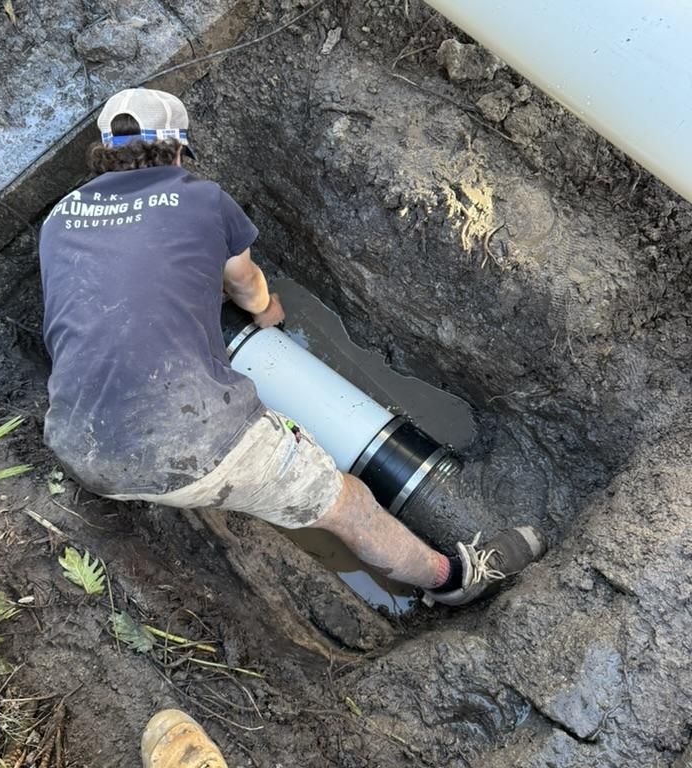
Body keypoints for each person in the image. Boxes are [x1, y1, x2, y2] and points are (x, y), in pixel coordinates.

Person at [39, 87, 547, 607]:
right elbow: (244, 284)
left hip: (77, 441)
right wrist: (265, 313)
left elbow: (106, 294)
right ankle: (455, 580)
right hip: (186, 442)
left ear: (105, 150)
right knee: (348, 501)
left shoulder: (58, 220)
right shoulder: (200, 198)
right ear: (176, 151)